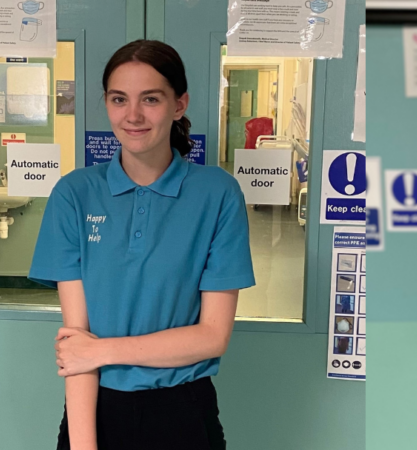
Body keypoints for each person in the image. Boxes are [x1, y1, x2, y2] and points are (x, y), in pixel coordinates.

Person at [29, 40, 255, 450]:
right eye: (119, 99)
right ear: (107, 103)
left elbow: (211, 337)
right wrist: (83, 445)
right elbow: (76, 343)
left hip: (183, 409)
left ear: (179, 104)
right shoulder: (74, 194)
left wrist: (102, 351)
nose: (133, 115)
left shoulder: (217, 194)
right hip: (95, 409)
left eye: (150, 99)